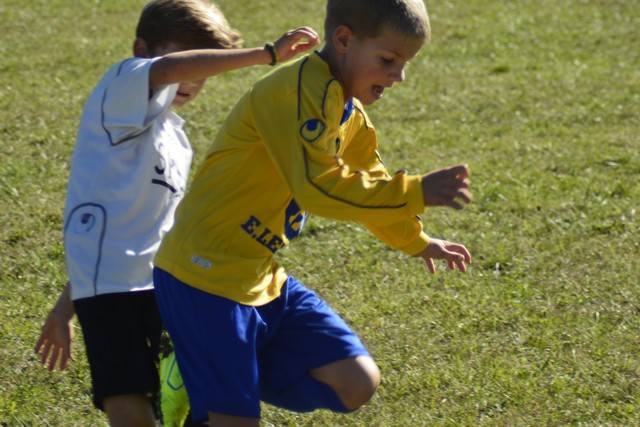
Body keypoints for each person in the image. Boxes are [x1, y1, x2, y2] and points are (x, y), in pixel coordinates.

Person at [153, 0, 473, 425]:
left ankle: (193, 365)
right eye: (388, 60)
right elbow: (318, 189)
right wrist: (415, 191)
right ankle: (199, 373)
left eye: (404, 64)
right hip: (202, 275)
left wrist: (418, 242)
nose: (398, 76)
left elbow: (371, 182)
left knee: (356, 382)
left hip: (260, 276)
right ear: (344, 40)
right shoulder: (299, 90)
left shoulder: (350, 114)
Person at [33, 0, 319, 425]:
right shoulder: (119, 86)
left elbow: (134, 229)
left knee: (185, 398)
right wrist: (266, 54)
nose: (194, 78)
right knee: (129, 399)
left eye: (204, 68)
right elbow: (166, 70)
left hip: (166, 283)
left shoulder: (176, 139)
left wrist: (63, 309)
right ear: (141, 49)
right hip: (111, 290)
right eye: (191, 60)